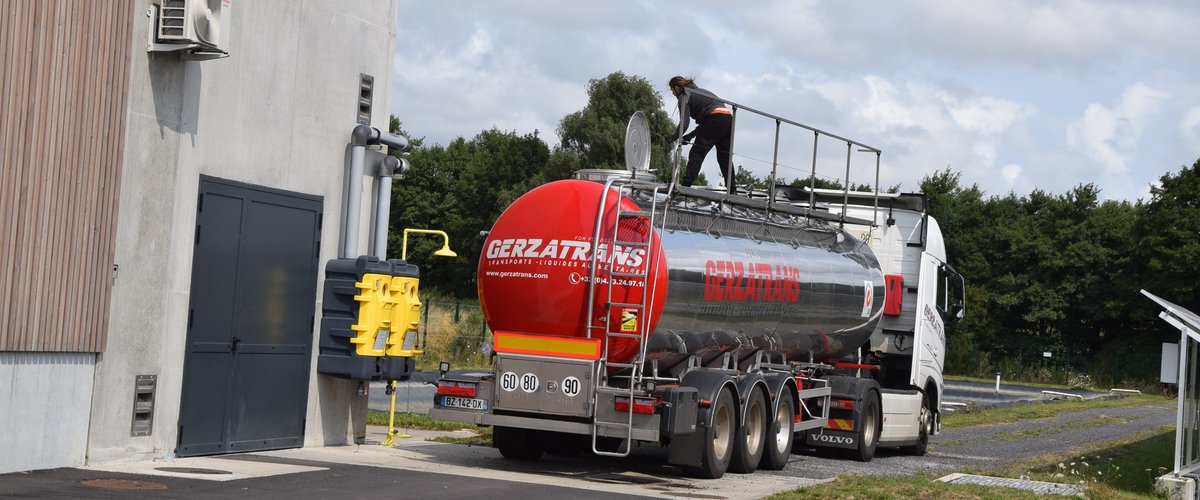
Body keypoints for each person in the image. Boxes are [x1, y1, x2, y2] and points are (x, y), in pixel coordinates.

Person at [666, 76, 734, 193]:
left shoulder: (684, 96)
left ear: (677, 87)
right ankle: (733, 190)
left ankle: (686, 186)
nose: (672, 93)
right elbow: (706, 121)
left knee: (696, 153)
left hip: (714, 118)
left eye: (672, 90)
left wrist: (673, 137)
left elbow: (685, 123)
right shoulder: (701, 91)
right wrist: (691, 135)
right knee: (724, 157)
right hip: (727, 117)